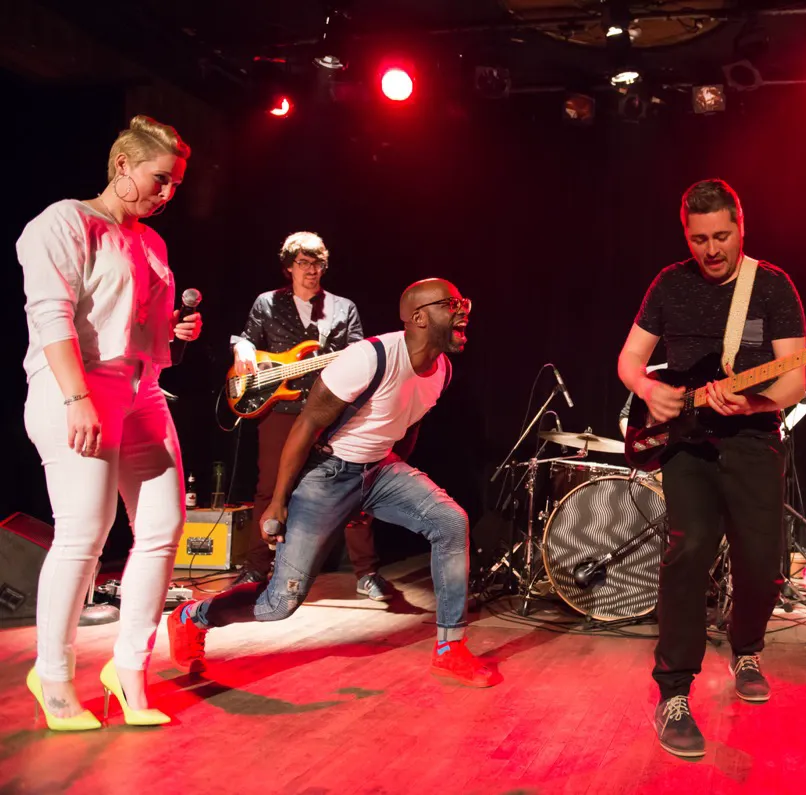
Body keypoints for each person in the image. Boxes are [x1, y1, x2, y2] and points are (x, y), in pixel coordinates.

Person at [169, 279, 498, 687]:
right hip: (327, 474)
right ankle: (192, 617)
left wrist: (378, 493)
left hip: (379, 469)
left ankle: (450, 648)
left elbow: (407, 426)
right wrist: (278, 502)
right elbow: (306, 425)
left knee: (451, 522)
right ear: (418, 317)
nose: (463, 310)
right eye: (452, 304)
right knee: (279, 604)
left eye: (464, 301)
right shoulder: (368, 358)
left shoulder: (442, 371)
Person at [19, 115, 201, 729]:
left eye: (176, 183)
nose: (168, 192)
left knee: (162, 526)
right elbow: (52, 316)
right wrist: (76, 398)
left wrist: (172, 328)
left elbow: (131, 316)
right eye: (160, 178)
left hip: (141, 387)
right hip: (78, 384)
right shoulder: (64, 222)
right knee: (84, 534)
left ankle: (127, 670)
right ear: (122, 165)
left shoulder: (152, 242)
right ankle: (53, 676)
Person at [616, 179, 806, 757]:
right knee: (690, 545)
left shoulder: (772, 286)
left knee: (762, 562)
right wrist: (649, 389)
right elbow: (629, 359)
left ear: (740, 228)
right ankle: (673, 691)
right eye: (699, 239)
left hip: (751, 439)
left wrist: (751, 401)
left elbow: (795, 379)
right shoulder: (669, 284)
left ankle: (745, 646)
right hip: (687, 444)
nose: (711, 249)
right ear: (687, 236)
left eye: (721, 236)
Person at [229, 232, 387, 600]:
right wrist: (244, 349)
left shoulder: (342, 307)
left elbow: (359, 352)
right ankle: (255, 568)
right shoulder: (267, 303)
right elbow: (246, 338)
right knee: (270, 487)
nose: (312, 271)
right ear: (289, 267)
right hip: (280, 407)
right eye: (304, 263)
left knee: (350, 485)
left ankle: (366, 572)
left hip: (329, 407)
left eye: (318, 264)